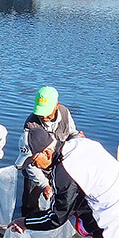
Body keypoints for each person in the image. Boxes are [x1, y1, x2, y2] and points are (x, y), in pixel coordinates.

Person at [15, 86, 80, 216]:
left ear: (56, 105)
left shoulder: (65, 112)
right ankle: (28, 228)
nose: (44, 116)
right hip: (37, 169)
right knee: (29, 205)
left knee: (62, 205)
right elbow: (30, 163)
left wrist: (78, 139)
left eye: (47, 112)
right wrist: (45, 185)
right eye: (40, 112)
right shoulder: (31, 125)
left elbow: (72, 133)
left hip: (60, 167)